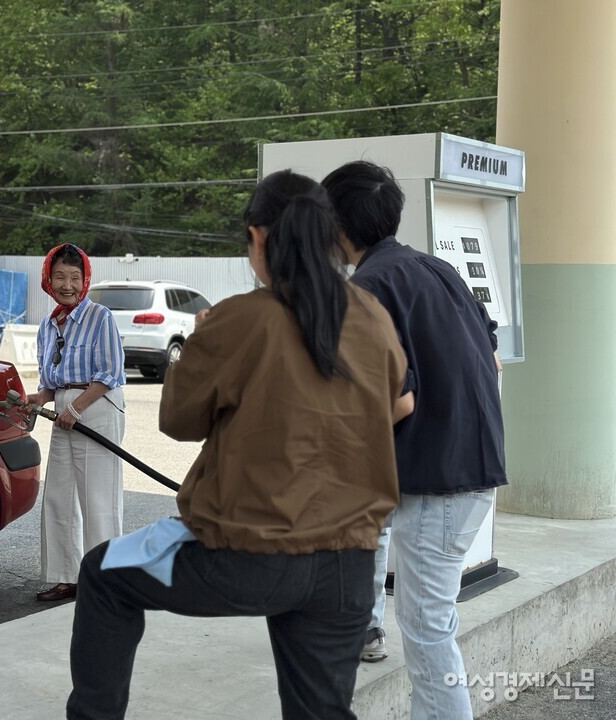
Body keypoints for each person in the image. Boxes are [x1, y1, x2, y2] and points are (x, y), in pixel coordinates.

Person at [65, 171, 414, 720]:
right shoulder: (373, 317)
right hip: (349, 561)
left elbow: (179, 420)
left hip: (248, 556)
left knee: (102, 574)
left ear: (257, 236)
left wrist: (200, 340)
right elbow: (392, 402)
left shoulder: (243, 317)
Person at [323, 160, 506, 720]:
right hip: (469, 470)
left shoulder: (367, 288)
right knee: (432, 623)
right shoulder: (437, 268)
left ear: (337, 225)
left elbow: (398, 400)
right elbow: (493, 359)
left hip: (435, 485)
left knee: (427, 631)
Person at [24, 243, 126, 603]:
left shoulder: (100, 317)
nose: (67, 285)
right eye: (59, 277)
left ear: (85, 281)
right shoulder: (48, 325)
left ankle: (105, 582)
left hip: (96, 408)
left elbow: (110, 373)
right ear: (47, 280)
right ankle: (66, 577)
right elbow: (53, 381)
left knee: (98, 498)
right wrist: (40, 398)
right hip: (64, 411)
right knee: (59, 496)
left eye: (74, 277)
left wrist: (77, 408)